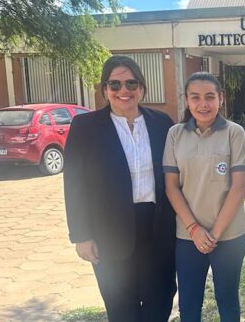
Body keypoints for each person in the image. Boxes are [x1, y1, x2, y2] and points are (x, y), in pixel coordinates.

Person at [63, 55, 176, 322]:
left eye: (130, 83)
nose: (123, 91)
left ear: (142, 88)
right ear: (104, 90)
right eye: (115, 85)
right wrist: (81, 235)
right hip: (109, 233)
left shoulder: (162, 123)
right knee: (121, 307)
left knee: (159, 301)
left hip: (158, 230)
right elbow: (74, 184)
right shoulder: (86, 127)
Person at [163, 72, 245, 322]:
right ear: (186, 101)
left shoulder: (235, 133)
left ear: (220, 99)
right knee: (189, 304)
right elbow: (172, 187)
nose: (203, 104)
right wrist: (194, 229)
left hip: (230, 235)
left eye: (210, 97)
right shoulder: (175, 135)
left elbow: (238, 187)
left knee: (228, 301)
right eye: (196, 97)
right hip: (188, 236)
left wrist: (215, 233)